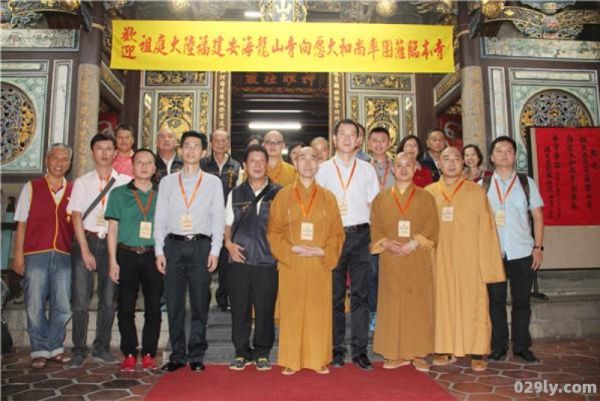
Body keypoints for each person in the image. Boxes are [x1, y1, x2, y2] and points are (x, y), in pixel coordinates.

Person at [425, 147, 505, 372]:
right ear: (438, 163)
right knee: (441, 302)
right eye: (446, 159)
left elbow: (488, 230)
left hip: (470, 261)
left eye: (456, 159)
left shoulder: (475, 192)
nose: (451, 163)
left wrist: (488, 265)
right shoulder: (429, 193)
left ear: (464, 163)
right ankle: (443, 347)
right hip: (439, 259)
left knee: (474, 303)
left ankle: (477, 350)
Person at [268, 147, 345, 375]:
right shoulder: (282, 195)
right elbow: (273, 232)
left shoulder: (328, 197)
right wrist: (291, 249)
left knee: (318, 311)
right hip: (293, 262)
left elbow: (338, 233)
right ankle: (291, 359)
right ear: (295, 162)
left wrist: (323, 252)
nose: (308, 163)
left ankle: (318, 358)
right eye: (303, 158)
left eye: (313, 158)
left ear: (319, 163)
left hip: (319, 264)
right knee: (292, 311)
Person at [154, 130, 225, 373]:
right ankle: (177, 354)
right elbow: (160, 218)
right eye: (187, 146)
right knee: (173, 303)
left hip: (200, 246)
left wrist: (215, 250)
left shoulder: (214, 182)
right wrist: (158, 251)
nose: (191, 150)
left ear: (203, 152)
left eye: (196, 146)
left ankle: (196, 354)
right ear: (180, 150)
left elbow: (218, 217)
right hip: (172, 246)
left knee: (199, 302)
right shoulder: (167, 182)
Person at [315, 119, 380, 371]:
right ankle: (336, 348)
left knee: (361, 296)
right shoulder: (322, 170)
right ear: (334, 139)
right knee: (334, 296)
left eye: (352, 134)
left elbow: (374, 206)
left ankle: (360, 351)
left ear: (358, 141)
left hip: (361, 236)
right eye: (342, 133)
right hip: (333, 237)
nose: (347, 138)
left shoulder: (367, 170)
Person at [370, 152, 439, 372]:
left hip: (416, 256)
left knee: (417, 305)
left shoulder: (426, 197)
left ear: (415, 168)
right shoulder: (381, 198)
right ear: (392, 169)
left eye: (408, 165)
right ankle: (394, 353)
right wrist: (386, 243)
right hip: (390, 258)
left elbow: (432, 227)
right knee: (391, 304)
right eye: (398, 165)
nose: (403, 169)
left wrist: (413, 243)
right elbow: (376, 227)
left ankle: (418, 353)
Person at [68, 133, 132, 367]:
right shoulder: (82, 182)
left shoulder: (125, 182)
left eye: (108, 149)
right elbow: (75, 216)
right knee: (80, 299)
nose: (104, 152)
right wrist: (84, 250)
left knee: (108, 298)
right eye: (99, 148)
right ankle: (78, 349)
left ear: (115, 153)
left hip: (112, 244)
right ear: (92, 152)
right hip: (87, 240)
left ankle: (101, 347)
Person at [13, 144, 75, 368]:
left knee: (63, 303)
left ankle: (55, 346)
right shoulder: (32, 187)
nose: (60, 163)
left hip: (63, 254)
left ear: (69, 164)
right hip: (35, 253)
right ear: (47, 159)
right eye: (56, 158)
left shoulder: (73, 190)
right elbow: (21, 223)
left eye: (65, 159)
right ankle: (39, 348)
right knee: (35, 302)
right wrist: (18, 255)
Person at [484, 136, 545, 363]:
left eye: (509, 150)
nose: (503, 154)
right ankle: (498, 346)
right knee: (496, 302)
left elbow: (538, 216)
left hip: (522, 252)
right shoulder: (484, 185)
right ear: (491, 157)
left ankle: (521, 346)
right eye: (498, 150)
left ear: (514, 155)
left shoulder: (527, 183)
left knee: (522, 301)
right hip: (493, 253)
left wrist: (538, 247)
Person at [224, 144, 281, 371]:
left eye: (261, 160)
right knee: (240, 309)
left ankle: (262, 352)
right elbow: (227, 223)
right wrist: (228, 245)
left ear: (267, 164)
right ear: (245, 166)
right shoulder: (235, 193)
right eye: (252, 161)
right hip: (239, 259)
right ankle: (241, 352)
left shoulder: (280, 192)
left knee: (266, 309)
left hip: (268, 260)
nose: (257, 165)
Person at [106, 149, 162, 372]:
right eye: (140, 162)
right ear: (132, 165)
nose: (145, 166)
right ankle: (129, 352)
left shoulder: (161, 194)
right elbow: (112, 229)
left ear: (155, 168)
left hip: (153, 256)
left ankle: (149, 352)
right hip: (126, 255)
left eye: (149, 163)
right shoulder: (119, 193)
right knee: (126, 308)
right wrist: (112, 261)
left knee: (154, 308)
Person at [201, 129, 241, 312]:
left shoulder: (236, 166)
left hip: (226, 219)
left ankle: (223, 299)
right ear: (210, 143)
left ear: (228, 143)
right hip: (205, 219)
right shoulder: (202, 164)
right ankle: (203, 297)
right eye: (216, 140)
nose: (220, 144)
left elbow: (239, 193)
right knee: (204, 259)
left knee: (226, 261)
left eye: (224, 140)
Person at [366, 127, 395, 331]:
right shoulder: (361, 167)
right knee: (373, 272)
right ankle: (374, 312)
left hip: (394, 226)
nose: (378, 144)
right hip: (369, 227)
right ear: (368, 143)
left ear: (389, 143)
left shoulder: (397, 167)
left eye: (382, 141)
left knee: (392, 271)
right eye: (374, 141)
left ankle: (392, 311)